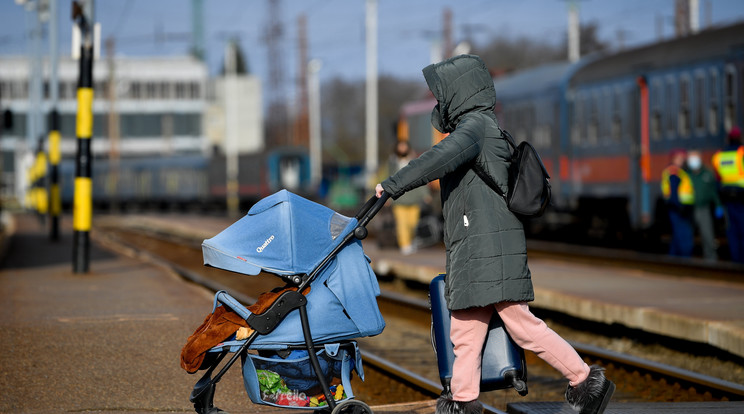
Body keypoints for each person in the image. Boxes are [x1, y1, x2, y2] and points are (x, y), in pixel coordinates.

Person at [375, 54, 614, 414]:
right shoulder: (479, 127)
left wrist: (392, 185)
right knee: (466, 330)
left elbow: (436, 159)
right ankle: (464, 401)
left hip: (487, 245)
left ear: (458, 93)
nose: (440, 104)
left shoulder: (474, 129)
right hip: (479, 244)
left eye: (443, 95)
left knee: (520, 325)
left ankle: (584, 380)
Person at [388, 140, 430, 255]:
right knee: (402, 224)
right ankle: (405, 245)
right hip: (399, 199)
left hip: (414, 198)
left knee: (413, 224)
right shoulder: (392, 163)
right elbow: (389, 179)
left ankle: (411, 241)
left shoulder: (414, 162)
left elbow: (420, 178)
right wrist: (387, 196)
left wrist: (425, 194)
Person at [712, 127, 744, 263]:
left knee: (732, 230)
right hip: (742, 198)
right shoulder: (742, 153)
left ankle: (736, 259)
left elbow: (718, 180)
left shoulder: (718, 156)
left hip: (727, 198)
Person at [687, 150, 723, 261]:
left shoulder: (707, 173)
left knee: (707, 235)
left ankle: (711, 259)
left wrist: (718, 205)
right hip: (689, 210)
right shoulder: (687, 175)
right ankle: (686, 260)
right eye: (691, 159)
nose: (693, 161)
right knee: (687, 236)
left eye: (695, 158)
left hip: (704, 208)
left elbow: (714, 191)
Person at [661, 149, 695, 257]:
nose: (683, 160)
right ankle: (685, 260)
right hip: (679, 209)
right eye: (680, 158)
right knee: (684, 236)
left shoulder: (677, 171)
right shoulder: (674, 172)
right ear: (674, 159)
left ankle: (673, 260)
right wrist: (680, 207)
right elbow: (674, 193)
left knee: (677, 237)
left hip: (677, 209)